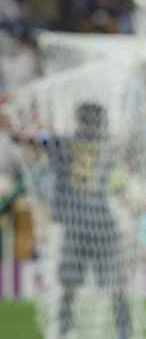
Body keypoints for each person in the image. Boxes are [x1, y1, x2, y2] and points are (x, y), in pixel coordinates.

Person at [0, 102, 130, 339]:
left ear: (79, 121)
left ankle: (63, 330)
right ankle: (123, 332)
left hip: (75, 224)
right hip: (102, 221)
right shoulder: (107, 145)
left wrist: (12, 128)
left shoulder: (64, 142)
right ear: (100, 123)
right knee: (116, 283)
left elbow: (30, 139)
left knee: (68, 283)